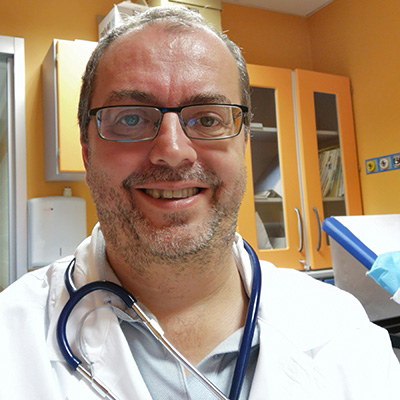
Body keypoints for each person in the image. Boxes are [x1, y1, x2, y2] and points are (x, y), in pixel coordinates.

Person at [0, 6, 399, 400]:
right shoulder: (11, 338)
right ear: (87, 152)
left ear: (243, 144)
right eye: (131, 119)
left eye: (207, 119)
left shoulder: (347, 336)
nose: (173, 151)